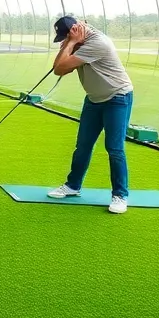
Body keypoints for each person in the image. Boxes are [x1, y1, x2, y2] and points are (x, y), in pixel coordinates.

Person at [46, 16, 135, 214]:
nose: (63, 40)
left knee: (114, 148)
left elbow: (60, 67)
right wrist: (70, 43)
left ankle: (120, 195)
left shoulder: (98, 43)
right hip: (94, 99)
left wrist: (71, 43)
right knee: (83, 145)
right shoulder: (78, 42)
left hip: (117, 97)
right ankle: (73, 186)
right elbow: (59, 70)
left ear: (75, 31)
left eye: (65, 37)